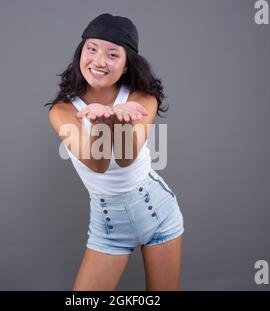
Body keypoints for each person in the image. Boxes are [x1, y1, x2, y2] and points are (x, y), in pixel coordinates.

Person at [46, 13, 185, 291]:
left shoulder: (141, 98)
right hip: (108, 226)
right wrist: (101, 122)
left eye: (112, 54)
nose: (98, 61)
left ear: (124, 66)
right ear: (80, 53)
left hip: (157, 213)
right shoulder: (63, 110)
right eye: (92, 49)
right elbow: (96, 163)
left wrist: (117, 119)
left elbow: (125, 158)